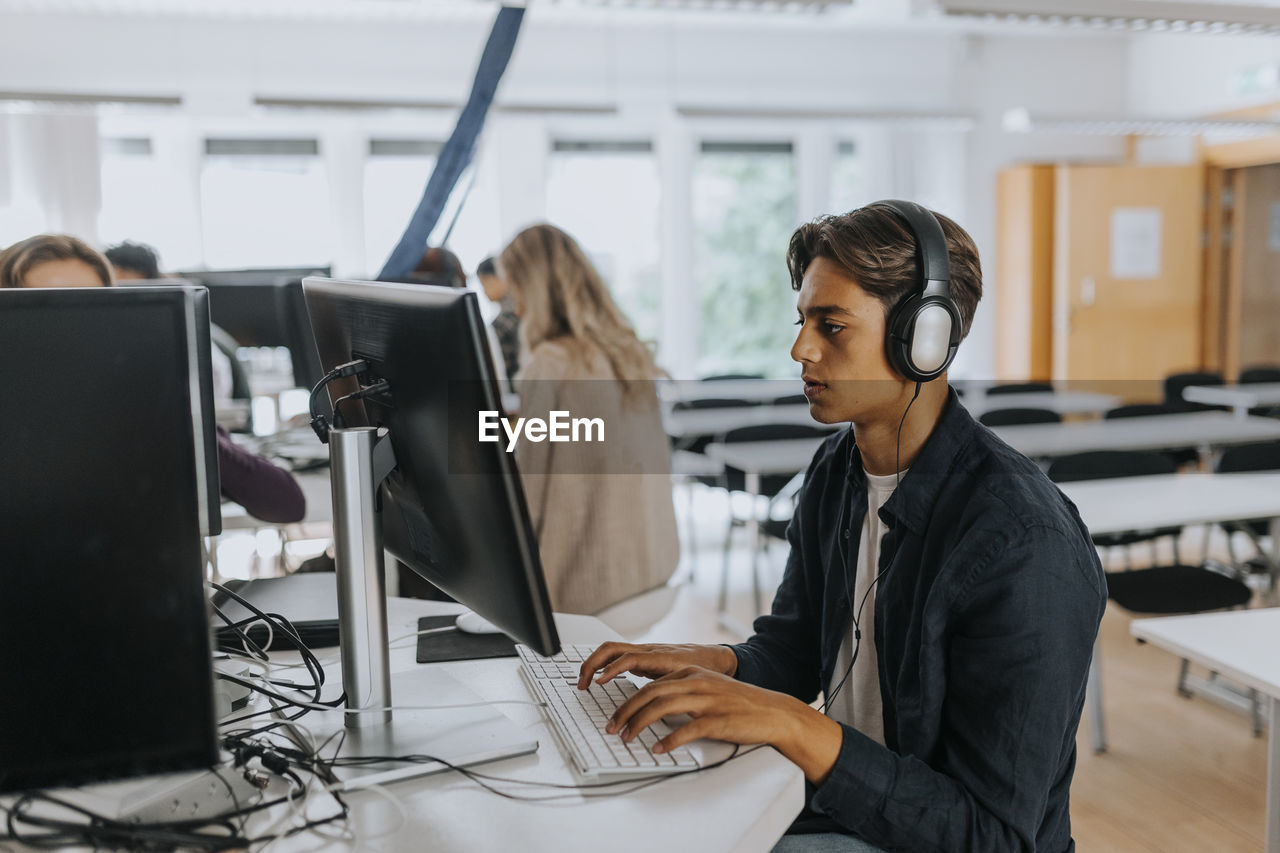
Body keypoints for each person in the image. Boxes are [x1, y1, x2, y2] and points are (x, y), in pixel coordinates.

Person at [575, 203, 1105, 852]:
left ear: (924, 338)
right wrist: (711, 663)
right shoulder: (838, 468)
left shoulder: (1023, 543)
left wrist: (796, 724)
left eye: (831, 325)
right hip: (850, 811)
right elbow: (797, 650)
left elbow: (991, 835)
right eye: (803, 322)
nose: (800, 348)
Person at [0, 234, 306, 525]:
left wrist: (181, 418)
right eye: (50, 310)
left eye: (89, 307)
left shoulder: (138, 406)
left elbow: (286, 504)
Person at [498, 223, 678, 615]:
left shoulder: (550, 364)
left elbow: (528, 495)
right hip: (651, 572)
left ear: (536, 290)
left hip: (585, 588)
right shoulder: (627, 352)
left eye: (517, 292)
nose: (515, 308)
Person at [476, 255, 520, 379]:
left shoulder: (504, 320)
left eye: (486, 283)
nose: (484, 291)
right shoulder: (520, 308)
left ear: (502, 277)